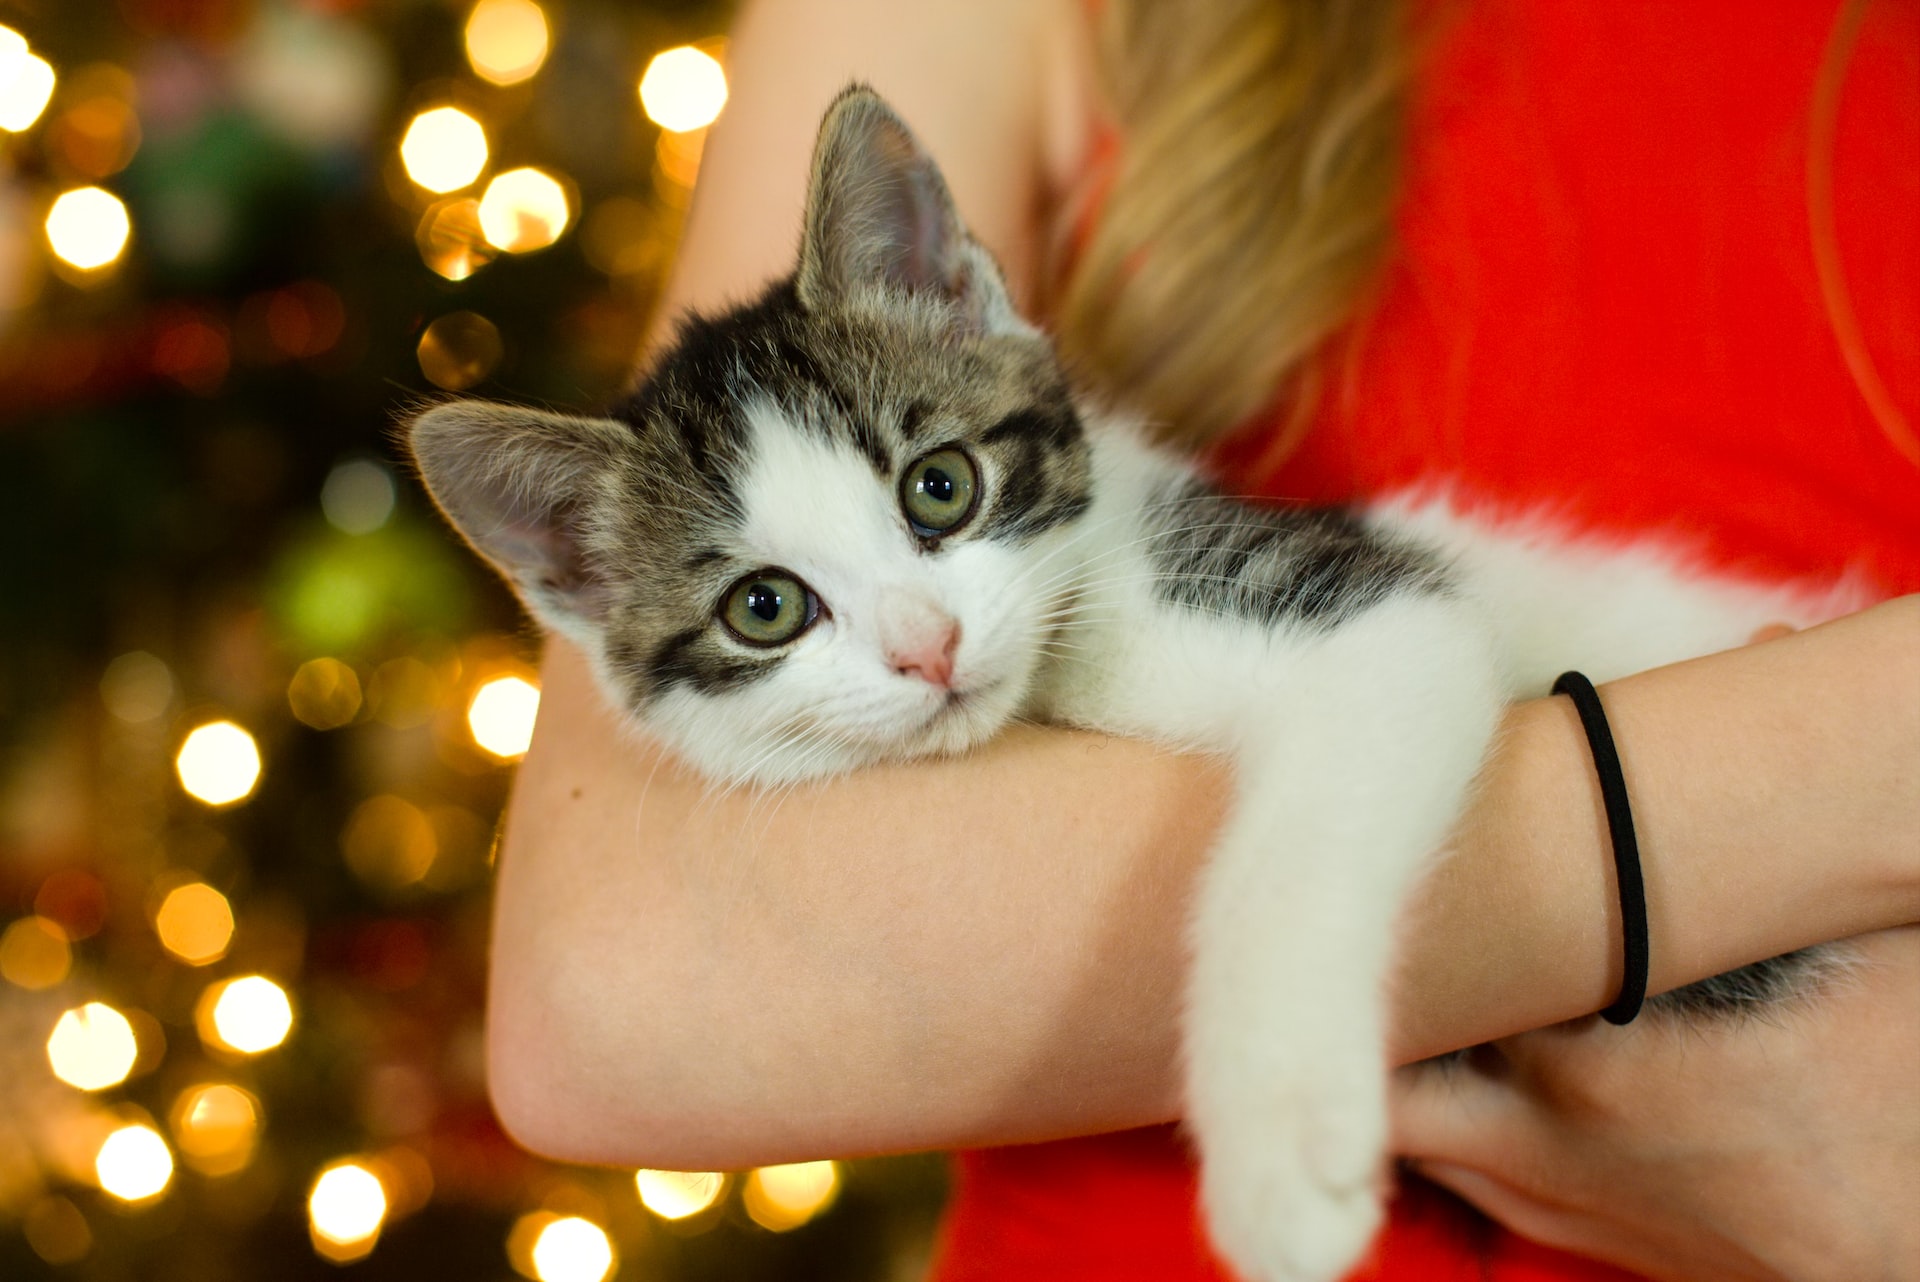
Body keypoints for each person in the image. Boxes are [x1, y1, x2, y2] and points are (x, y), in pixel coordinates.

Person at [482, 0, 1920, 1277]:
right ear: (578, 578)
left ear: (955, 297)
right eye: (771, 608)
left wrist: (1273, 1022)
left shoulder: (1116, 578)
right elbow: (597, 1001)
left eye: (938, 493)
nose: (922, 643)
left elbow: (1388, 655)